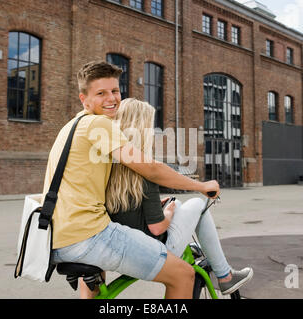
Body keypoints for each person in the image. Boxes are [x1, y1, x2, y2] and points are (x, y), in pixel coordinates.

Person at [42, 60, 220, 299]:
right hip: (88, 236)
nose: (111, 99)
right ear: (83, 99)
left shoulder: (72, 126)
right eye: (101, 93)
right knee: (183, 275)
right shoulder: (99, 124)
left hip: (60, 238)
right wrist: (201, 186)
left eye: (115, 91)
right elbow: (151, 169)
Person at [104, 98, 253, 296]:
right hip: (152, 250)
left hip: (118, 250)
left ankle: (224, 273)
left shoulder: (106, 167)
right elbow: (157, 227)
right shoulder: (146, 169)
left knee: (180, 203)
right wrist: (168, 212)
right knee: (196, 204)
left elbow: (127, 208)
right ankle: (225, 275)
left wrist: (156, 207)